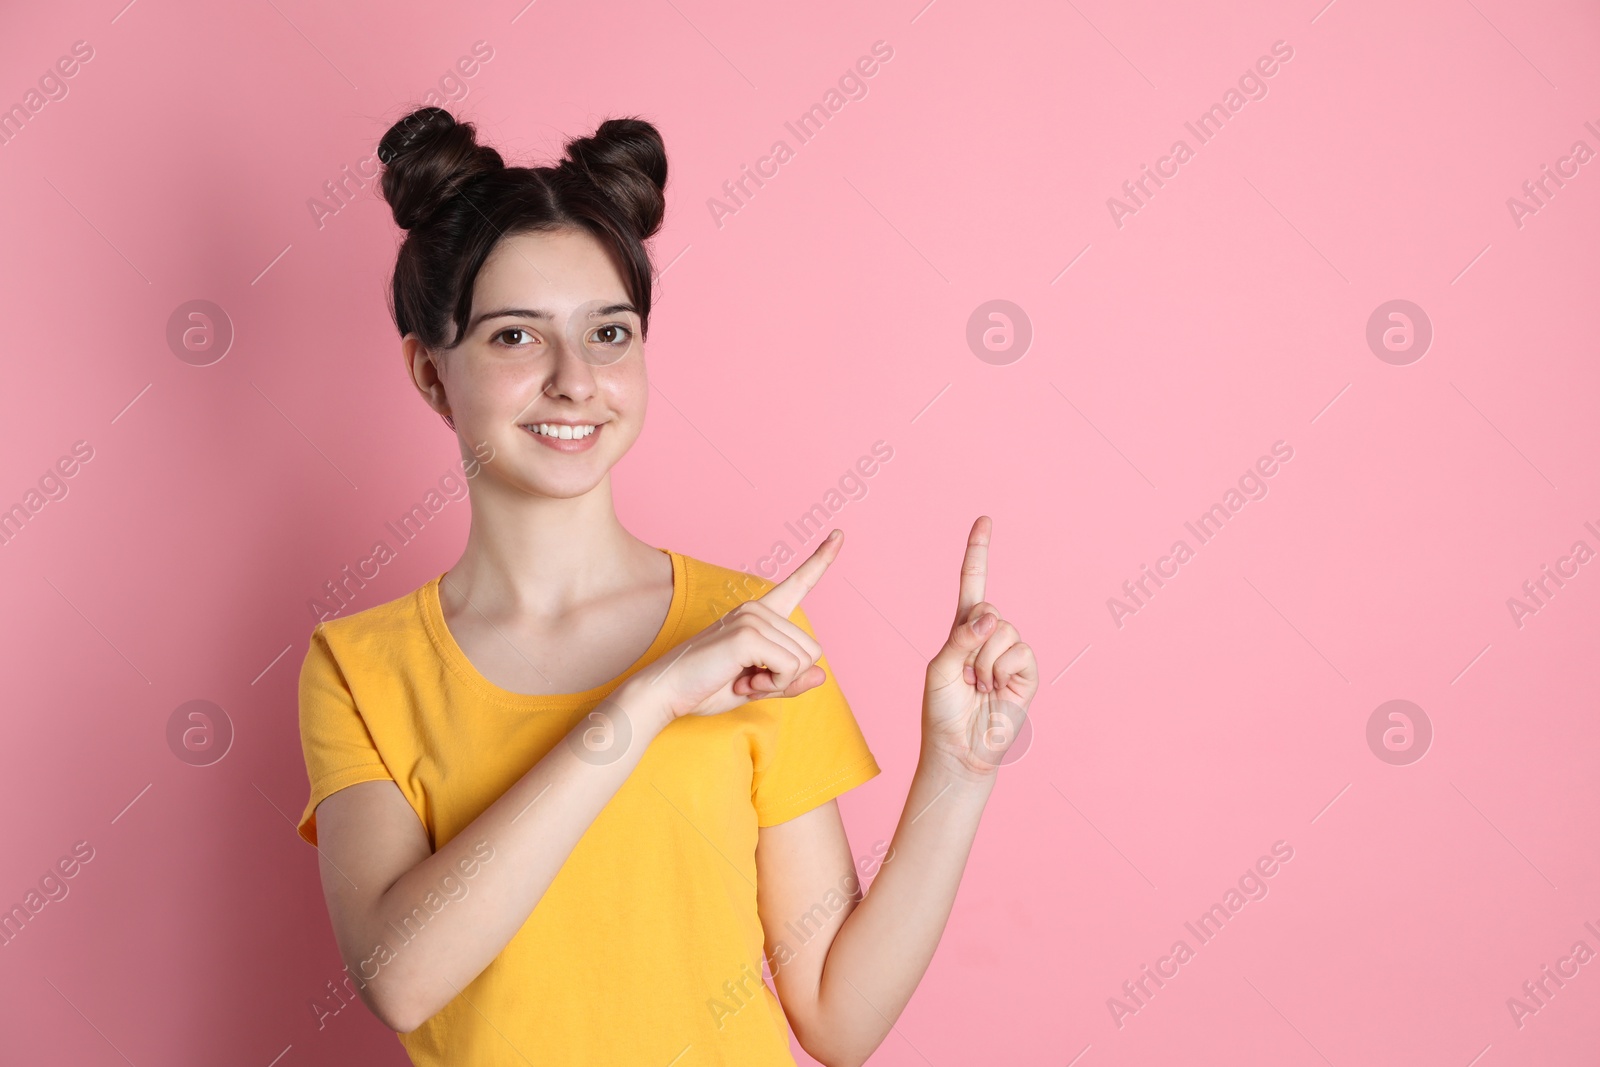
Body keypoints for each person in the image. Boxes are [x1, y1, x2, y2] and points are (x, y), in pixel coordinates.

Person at [295, 104, 1038, 1067]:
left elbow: (838, 1019)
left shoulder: (751, 629)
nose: (575, 379)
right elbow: (401, 976)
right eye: (516, 339)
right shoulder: (357, 667)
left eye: (609, 332)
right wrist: (647, 701)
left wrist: (959, 772)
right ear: (431, 375)